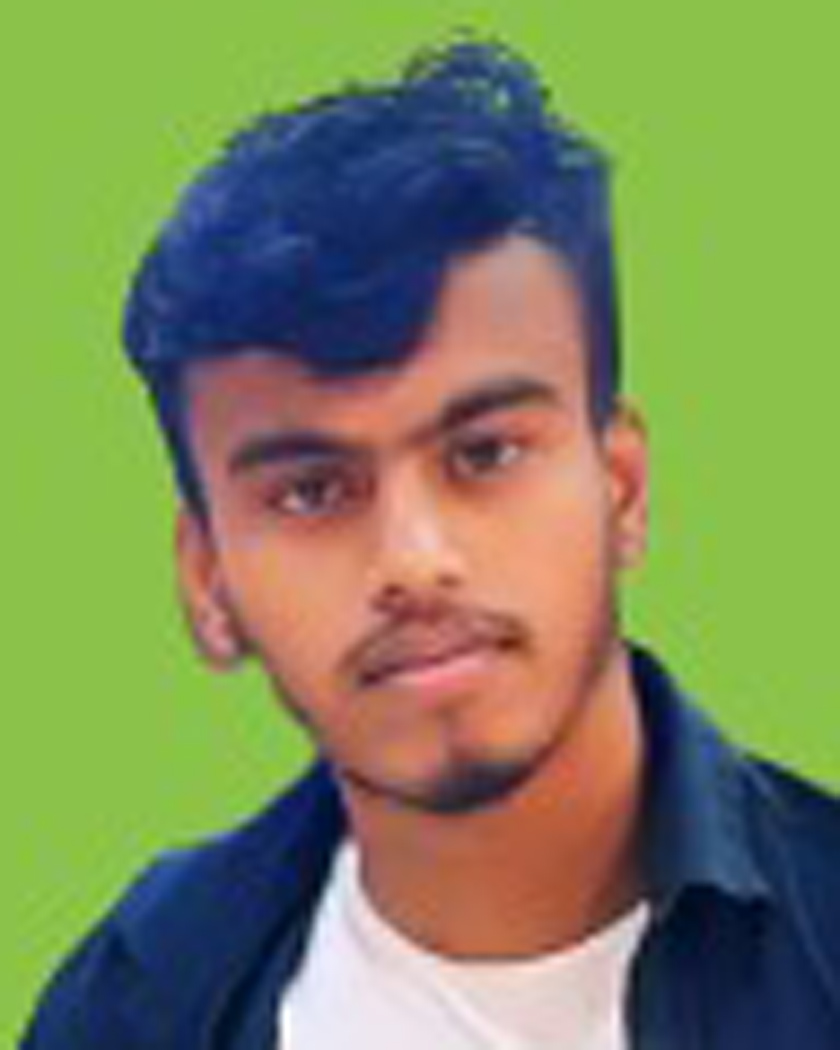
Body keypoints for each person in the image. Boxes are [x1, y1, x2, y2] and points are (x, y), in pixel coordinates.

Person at [22, 39, 840, 1050]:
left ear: (620, 488)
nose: (413, 560)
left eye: (485, 453)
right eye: (312, 491)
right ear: (208, 580)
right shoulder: (130, 1006)